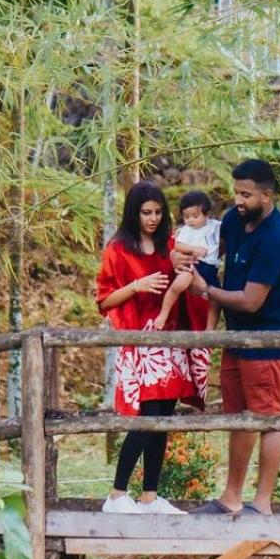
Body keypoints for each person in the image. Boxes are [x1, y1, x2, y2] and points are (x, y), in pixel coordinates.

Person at [174, 159, 280, 516]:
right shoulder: (233, 220)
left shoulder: (275, 238)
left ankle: (262, 502)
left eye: (246, 195)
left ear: (267, 195)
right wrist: (183, 256)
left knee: (269, 417)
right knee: (240, 416)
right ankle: (231, 497)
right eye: (236, 193)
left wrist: (206, 289)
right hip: (236, 335)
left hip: (267, 338)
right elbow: (212, 253)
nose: (238, 200)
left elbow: (251, 300)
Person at [95, 180, 210, 514]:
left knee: (163, 420)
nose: (153, 219)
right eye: (146, 212)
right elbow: (104, 301)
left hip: (169, 341)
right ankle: (117, 495)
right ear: (134, 212)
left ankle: (149, 497)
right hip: (141, 341)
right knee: (146, 418)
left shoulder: (168, 244)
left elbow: (192, 274)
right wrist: (137, 285)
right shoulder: (118, 249)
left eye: (159, 212)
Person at [155, 190, 219, 333]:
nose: (191, 220)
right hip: (193, 264)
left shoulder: (215, 226)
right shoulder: (186, 230)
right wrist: (193, 249)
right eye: (186, 217)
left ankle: (210, 329)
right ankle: (164, 313)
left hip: (210, 267)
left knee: (216, 299)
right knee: (178, 284)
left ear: (207, 214)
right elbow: (178, 245)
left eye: (195, 216)